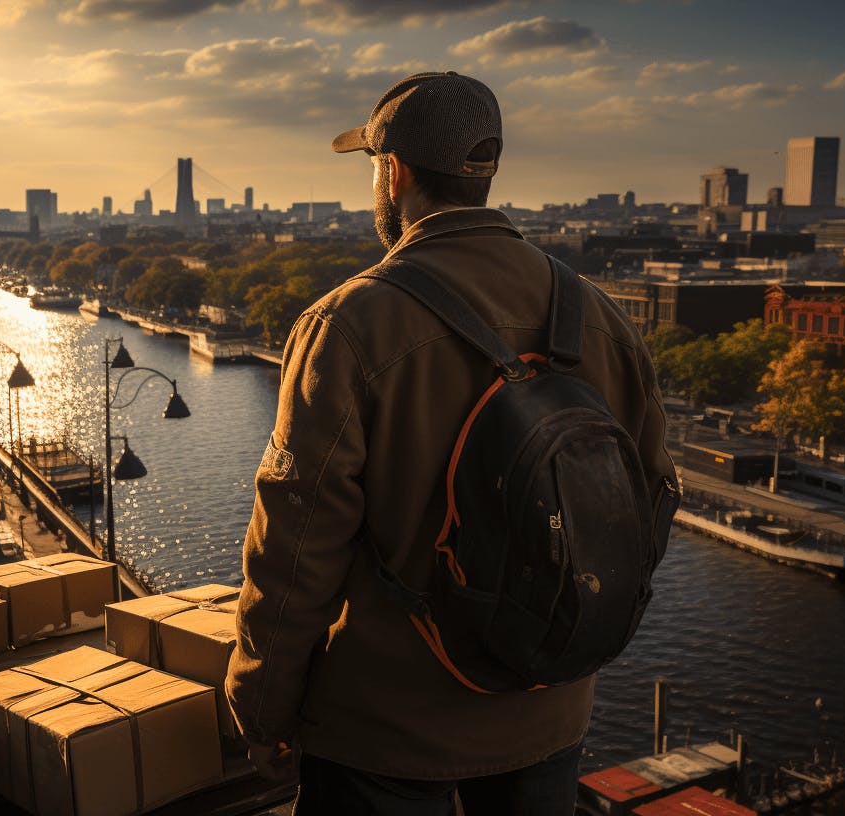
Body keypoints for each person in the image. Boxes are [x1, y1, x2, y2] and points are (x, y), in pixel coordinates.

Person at [226, 71, 677, 815]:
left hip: (387, 734)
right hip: (548, 713)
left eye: (374, 167)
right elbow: (652, 505)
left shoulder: (348, 325)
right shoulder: (599, 316)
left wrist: (262, 707)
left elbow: (296, 549)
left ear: (393, 173)